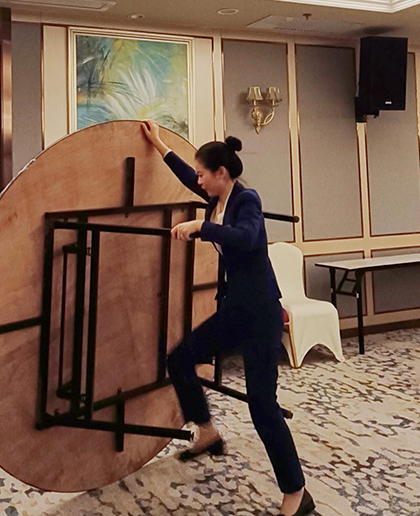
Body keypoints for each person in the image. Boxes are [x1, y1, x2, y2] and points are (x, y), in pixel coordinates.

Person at [141, 120, 315, 516]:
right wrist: (160, 145)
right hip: (234, 310)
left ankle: (296, 492)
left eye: (204, 174)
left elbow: (248, 238)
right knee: (180, 359)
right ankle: (207, 432)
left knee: (262, 405)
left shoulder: (246, 200)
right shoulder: (215, 198)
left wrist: (201, 227)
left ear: (221, 173)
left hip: (260, 314)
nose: (199, 181)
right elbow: (187, 175)